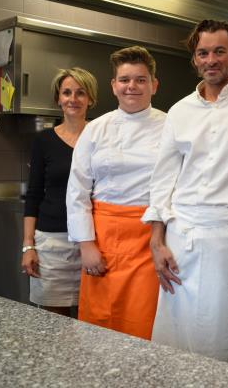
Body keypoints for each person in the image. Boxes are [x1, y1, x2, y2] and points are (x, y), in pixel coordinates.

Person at [141, 19, 228, 362]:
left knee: (226, 333)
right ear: (195, 59)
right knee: (175, 336)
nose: (211, 60)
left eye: (219, 51)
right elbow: (163, 180)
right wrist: (157, 241)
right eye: (203, 53)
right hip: (180, 235)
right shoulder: (179, 111)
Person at [66, 46, 166, 339]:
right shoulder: (96, 129)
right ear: (113, 85)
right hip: (103, 237)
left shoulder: (171, 125)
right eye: (124, 80)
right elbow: (78, 189)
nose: (131, 87)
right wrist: (86, 245)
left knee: (143, 319)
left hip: (150, 237)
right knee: (100, 320)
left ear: (154, 85)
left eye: (140, 79)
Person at [21, 67, 98, 317]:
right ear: (58, 98)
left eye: (80, 93)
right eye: (66, 93)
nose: (73, 99)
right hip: (53, 242)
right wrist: (28, 246)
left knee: (94, 318)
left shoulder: (101, 137)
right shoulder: (44, 140)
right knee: (54, 322)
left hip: (94, 241)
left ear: (91, 99)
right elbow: (33, 194)